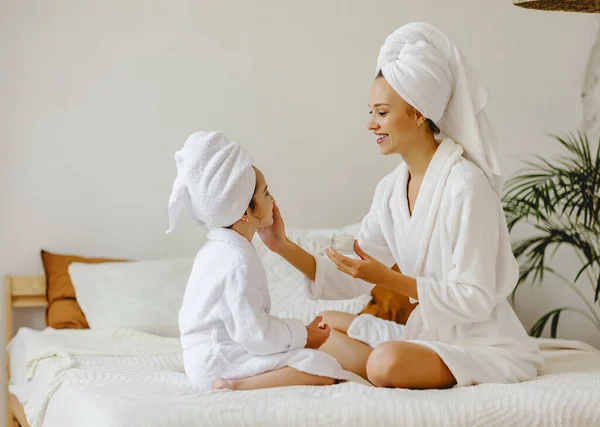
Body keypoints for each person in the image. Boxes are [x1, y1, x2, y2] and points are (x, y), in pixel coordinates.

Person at [258, 22, 542, 389]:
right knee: (325, 323)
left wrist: (388, 278)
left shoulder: (466, 186)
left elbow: (475, 299)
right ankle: (370, 361)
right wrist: (282, 246)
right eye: (371, 112)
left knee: (386, 363)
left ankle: (380, 364)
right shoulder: (390, 190)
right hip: (427, 335)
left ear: (419, 113)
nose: (370, 124)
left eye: (381, 112)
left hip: (482, 343)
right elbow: (352, 268)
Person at [167, 131, 354, 391]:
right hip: (219, 362)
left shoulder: (217, 250)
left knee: (315, 360)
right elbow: (255, 335)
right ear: (246, 210)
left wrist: (299, 333)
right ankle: (238, 385)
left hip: (205, 359)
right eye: (266, 193)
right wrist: (304, 336)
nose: (273, 201)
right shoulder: (237, 261)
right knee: (321, 364)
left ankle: (238, 381)